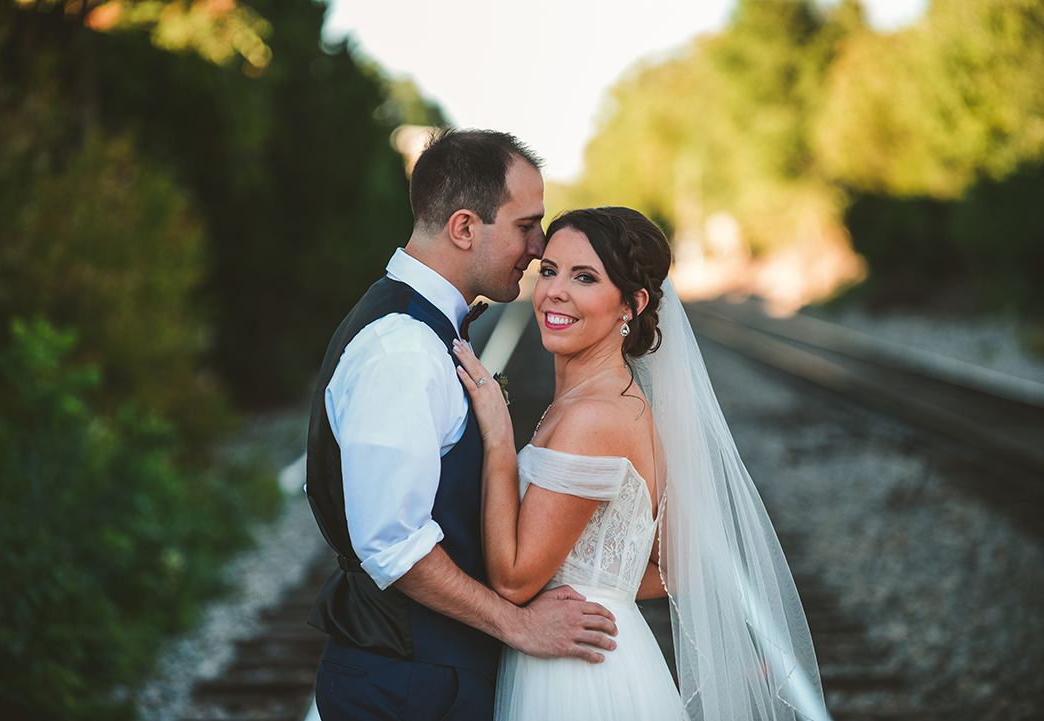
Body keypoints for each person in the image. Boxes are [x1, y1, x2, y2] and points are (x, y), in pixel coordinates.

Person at [452, 207, 828, 720]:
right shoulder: (616, 402)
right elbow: (676, 565)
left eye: (584, 277)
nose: (554, 292)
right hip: (598, 655)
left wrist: (498, 438)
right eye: (549, 271)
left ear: (633, 303)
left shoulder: (594, 418)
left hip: (577, 679)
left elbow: (515, 581)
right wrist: (601, 585)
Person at [304, 130, 619, 721]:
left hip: (425, 678)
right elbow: (393, 544)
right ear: (465, 228)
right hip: (406, 687)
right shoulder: (402, 348)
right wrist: (519, 626)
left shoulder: (423, 330)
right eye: (526, 225)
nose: (537, 246)